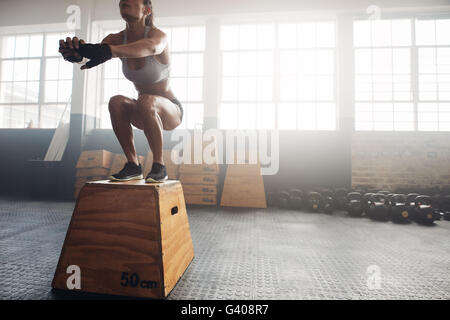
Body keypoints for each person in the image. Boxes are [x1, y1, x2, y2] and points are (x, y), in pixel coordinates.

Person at [59, 0, 183, 183]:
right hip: (143, 111)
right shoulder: (116, 39)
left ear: (146, 10)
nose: (124, 1)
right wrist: (76, 54)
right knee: (116, 101)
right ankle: (133, 165)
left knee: (147, 100)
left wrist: (109, 51)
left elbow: (149, 48)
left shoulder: (158, 36)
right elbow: (95, 53)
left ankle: (159, 165)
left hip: (169, 110)